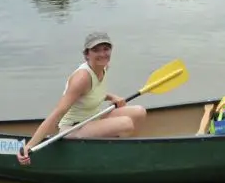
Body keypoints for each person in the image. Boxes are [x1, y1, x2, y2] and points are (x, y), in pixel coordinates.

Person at [17, 32, 147, 165]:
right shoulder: (82, 78)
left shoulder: (104, 66)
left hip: (93, 117)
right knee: (125, 123)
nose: (102, 54)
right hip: (73, 128)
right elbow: (58, 113)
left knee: (139, 111)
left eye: (106, 49)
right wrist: (29, 145)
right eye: (96, 50)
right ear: (86, 55)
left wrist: (111, 96)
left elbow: (91, 93)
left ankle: (124, 148)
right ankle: (119, 159)